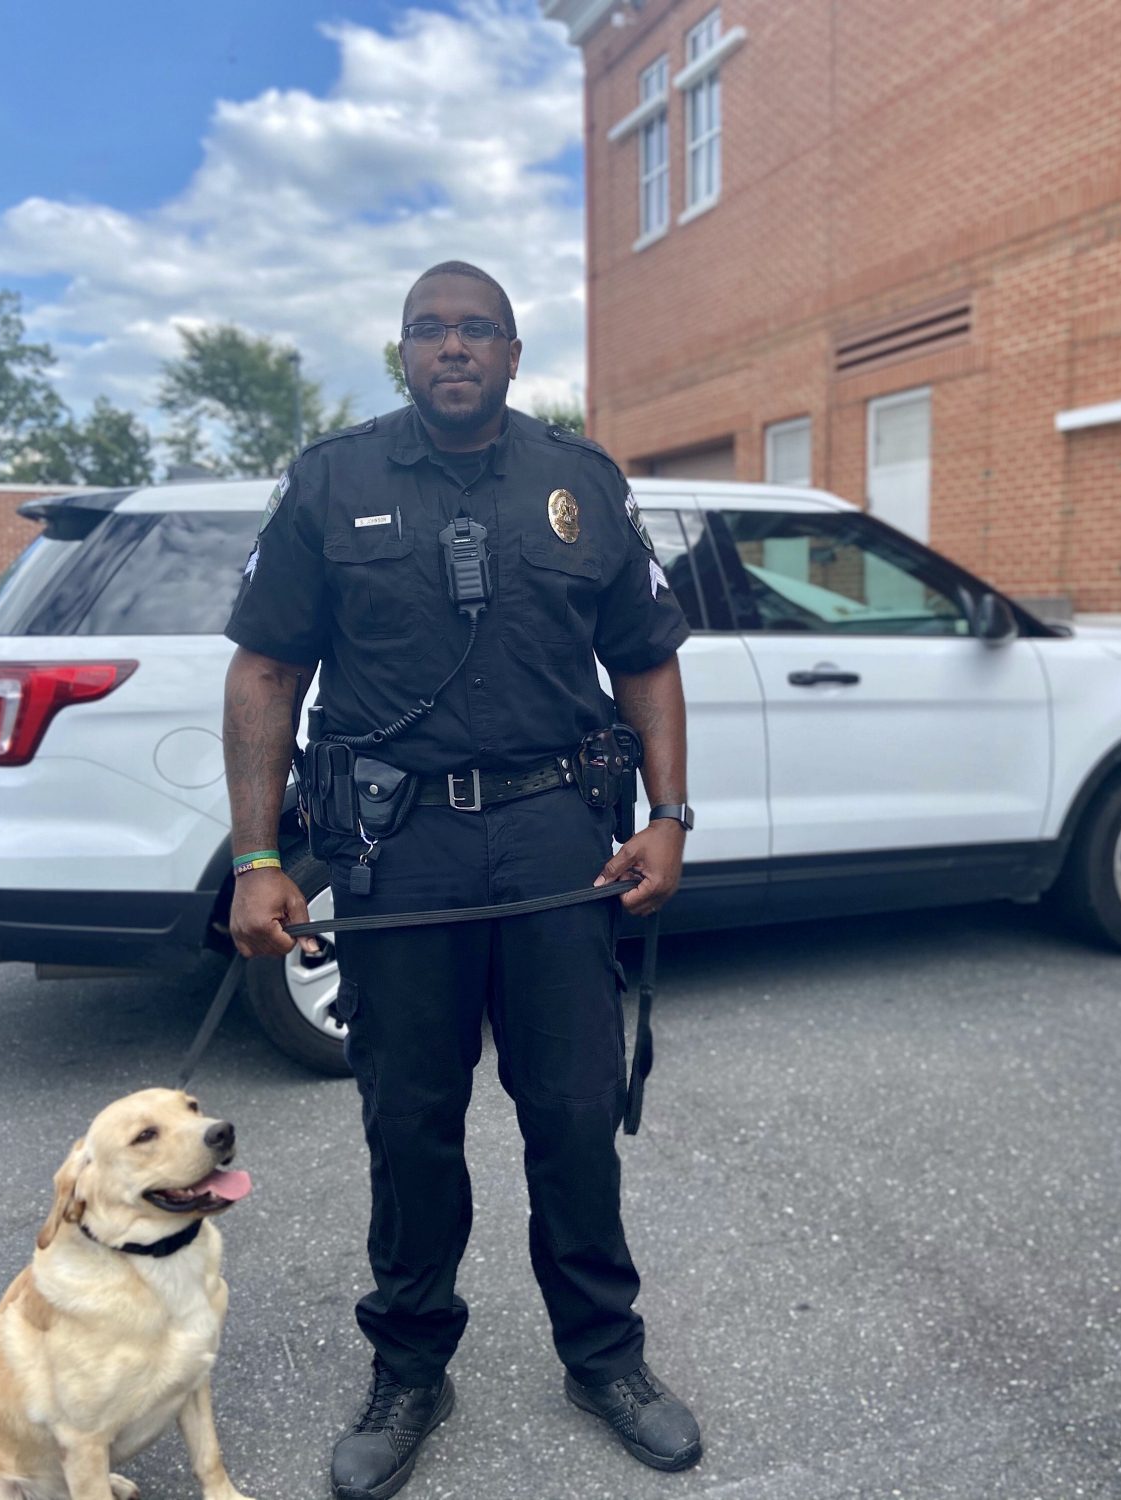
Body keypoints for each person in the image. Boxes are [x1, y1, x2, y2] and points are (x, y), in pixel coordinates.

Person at [222, 260, 701, 1499]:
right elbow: (266, 672)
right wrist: (261, 857)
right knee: (410, 1122)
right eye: (428, 330)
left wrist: (669, 815)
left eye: (474, 329)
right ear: (400, 352)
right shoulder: (333, 482)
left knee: (574, 1114)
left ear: (510, 349)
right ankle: (408, 1369)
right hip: (400, 847)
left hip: (556, 839)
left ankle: (606, 1359)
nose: (451, 347)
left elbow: (646, 658)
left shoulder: (579, 483)